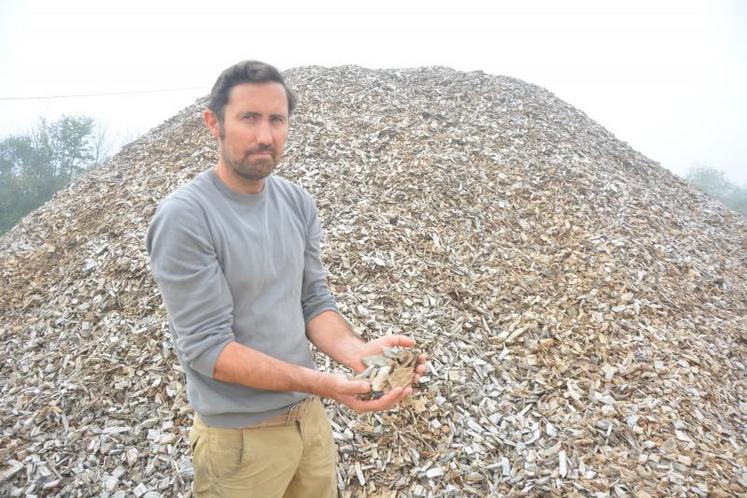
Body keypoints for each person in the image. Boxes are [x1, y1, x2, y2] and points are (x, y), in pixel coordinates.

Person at [146, 60, 426, 498]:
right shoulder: (186, 217)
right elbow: (208, 349)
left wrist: (357, 355)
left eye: (277, 119)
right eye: (249, 118)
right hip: (240, 443)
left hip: (308, 424)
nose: (265, 135)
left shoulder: (296, 202)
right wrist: (323, 383)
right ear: (213, 123)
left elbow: (312, 300)